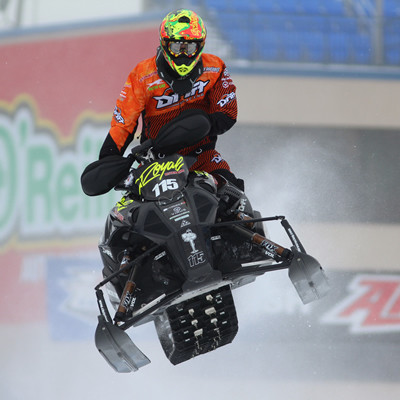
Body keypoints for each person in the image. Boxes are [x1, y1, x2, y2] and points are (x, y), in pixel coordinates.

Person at [99, 8, 244, 191]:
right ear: (165, 44)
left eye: (189, 47)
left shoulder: (215, 68)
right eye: (177, 46)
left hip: (202, 155)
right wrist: (108, 159)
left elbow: (227, 113)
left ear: (200, 46)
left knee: (232, 191)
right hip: (155, 160)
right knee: (132, 205)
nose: (183, 54)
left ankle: (243, 218)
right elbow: (123, 124)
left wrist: (195, 128)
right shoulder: (142, 75)